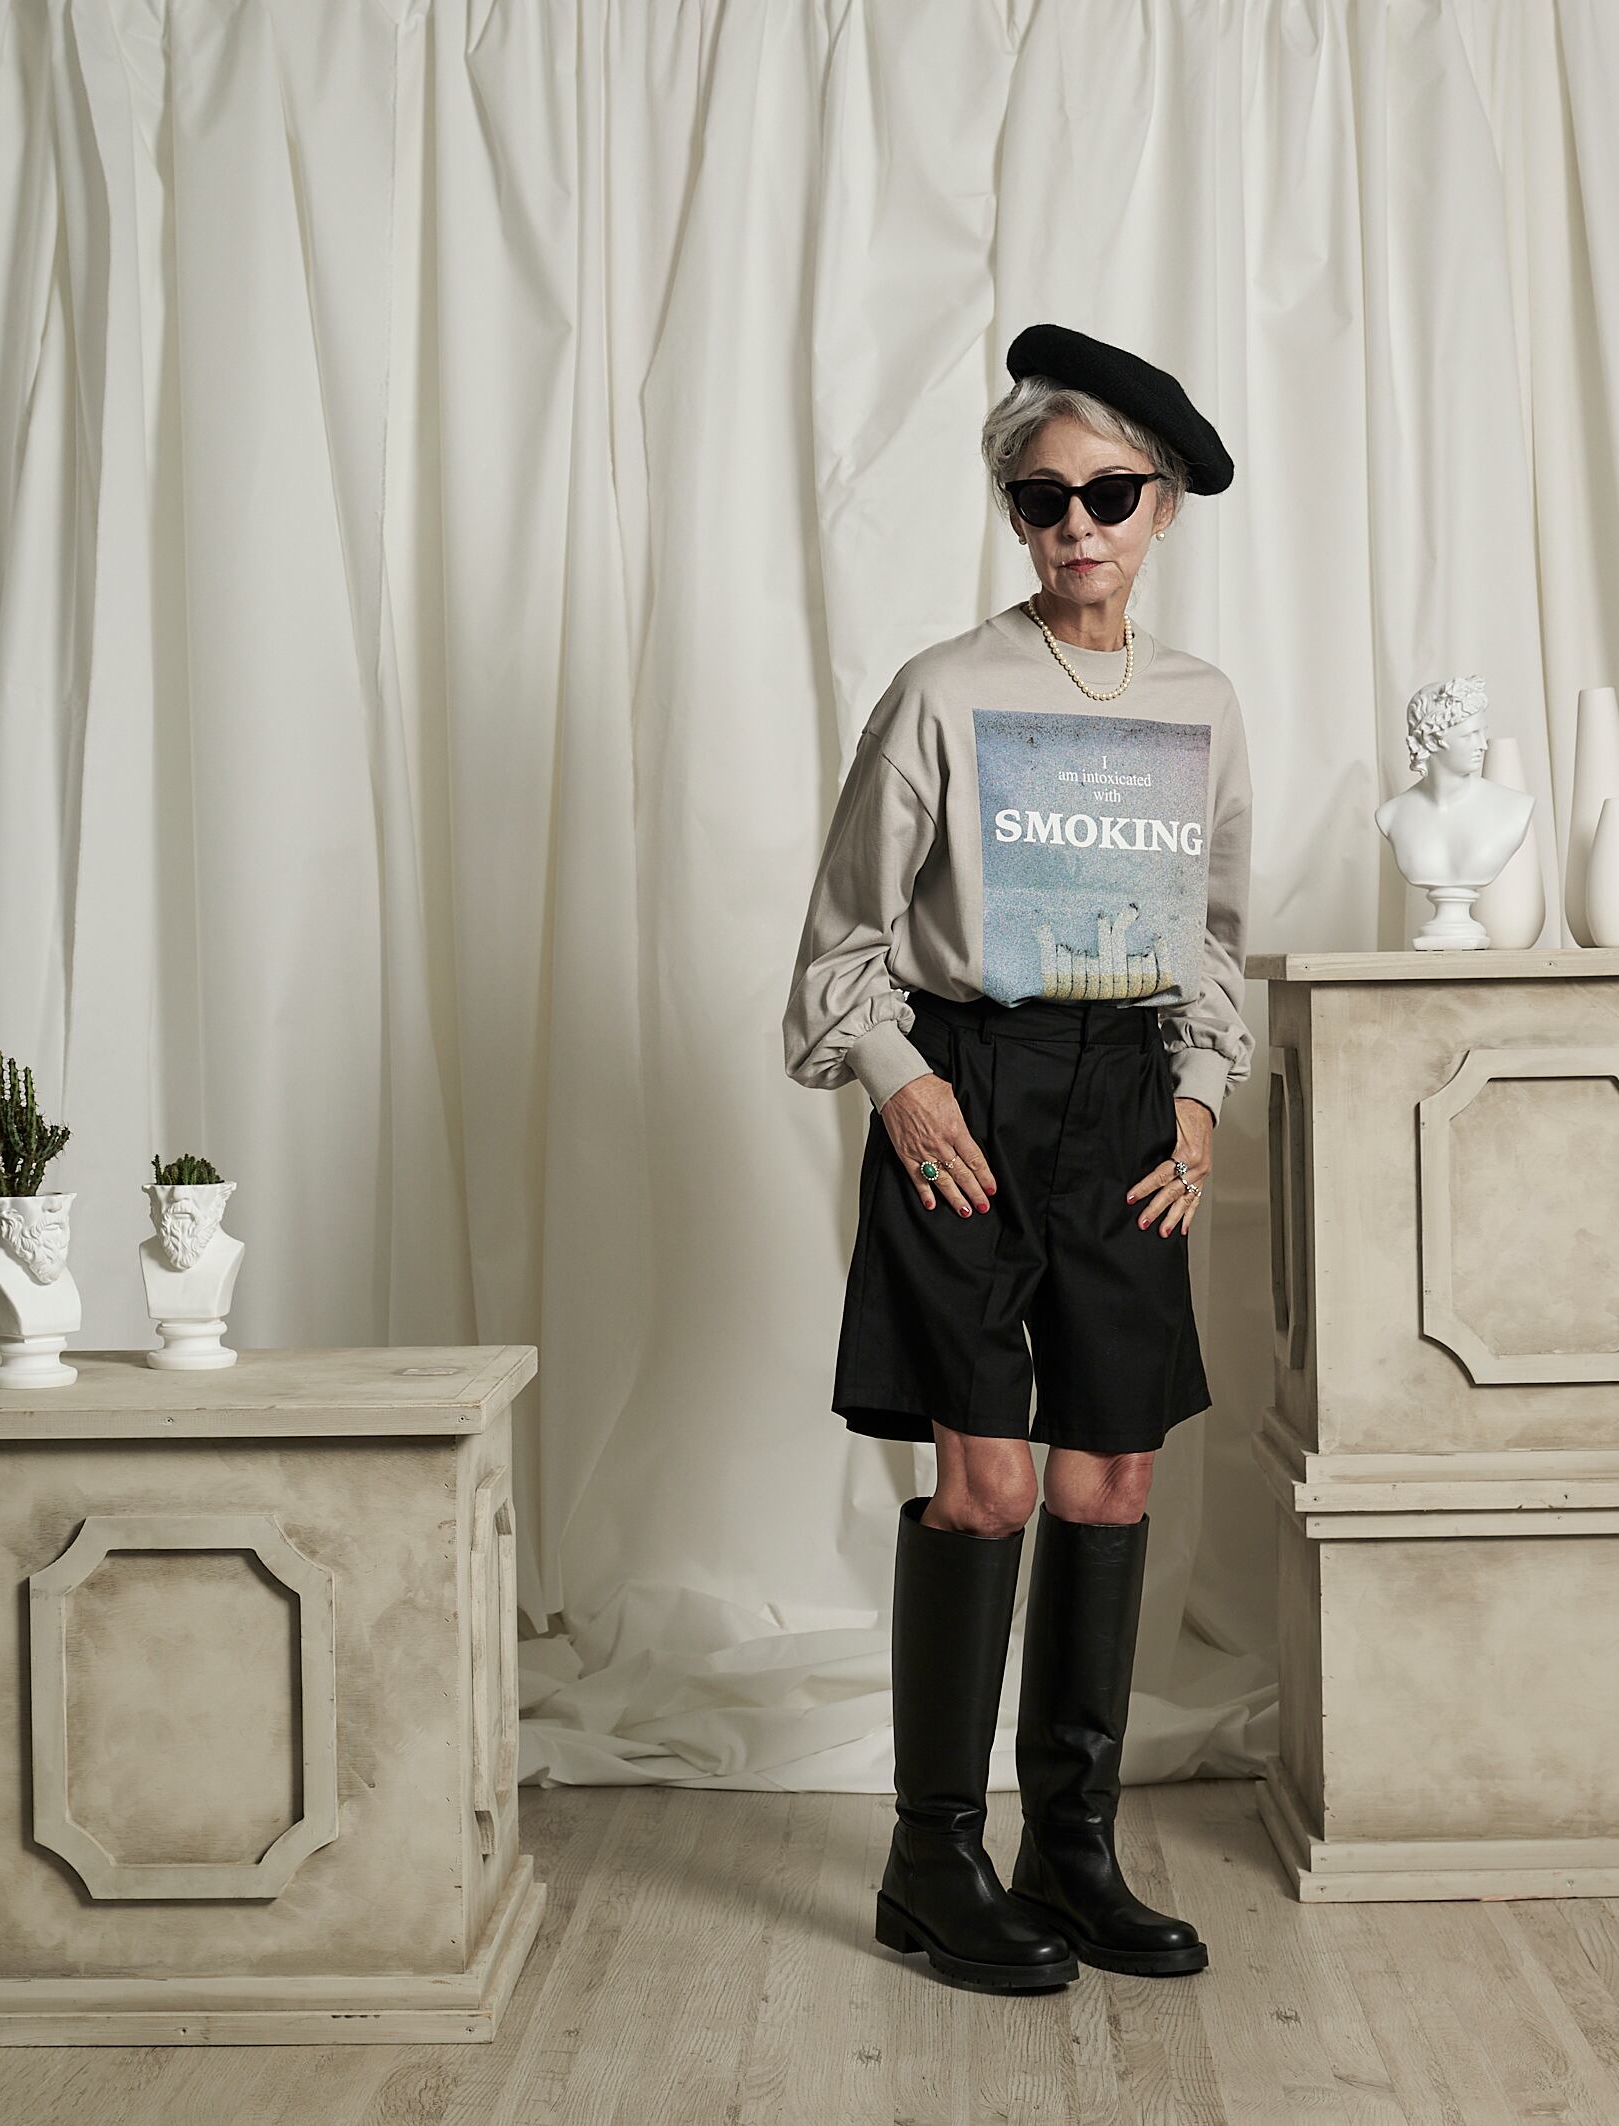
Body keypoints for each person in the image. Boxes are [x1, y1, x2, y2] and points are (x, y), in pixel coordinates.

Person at [783, 322, 1253, 1995]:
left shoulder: (1198, 706)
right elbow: (838, 948)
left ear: (1159, 507)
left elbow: (1211, 936)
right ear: (1013, 513)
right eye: (1040, 497)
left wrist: (1197, 1098)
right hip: (966, 1096)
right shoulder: (942, 692)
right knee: (983, 1483)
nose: (1074, 525)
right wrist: (903, 1088)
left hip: (1124, 1105)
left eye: (1106, 494)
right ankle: (931, 1860)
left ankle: (1073, 1849)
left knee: (1107, 1479)